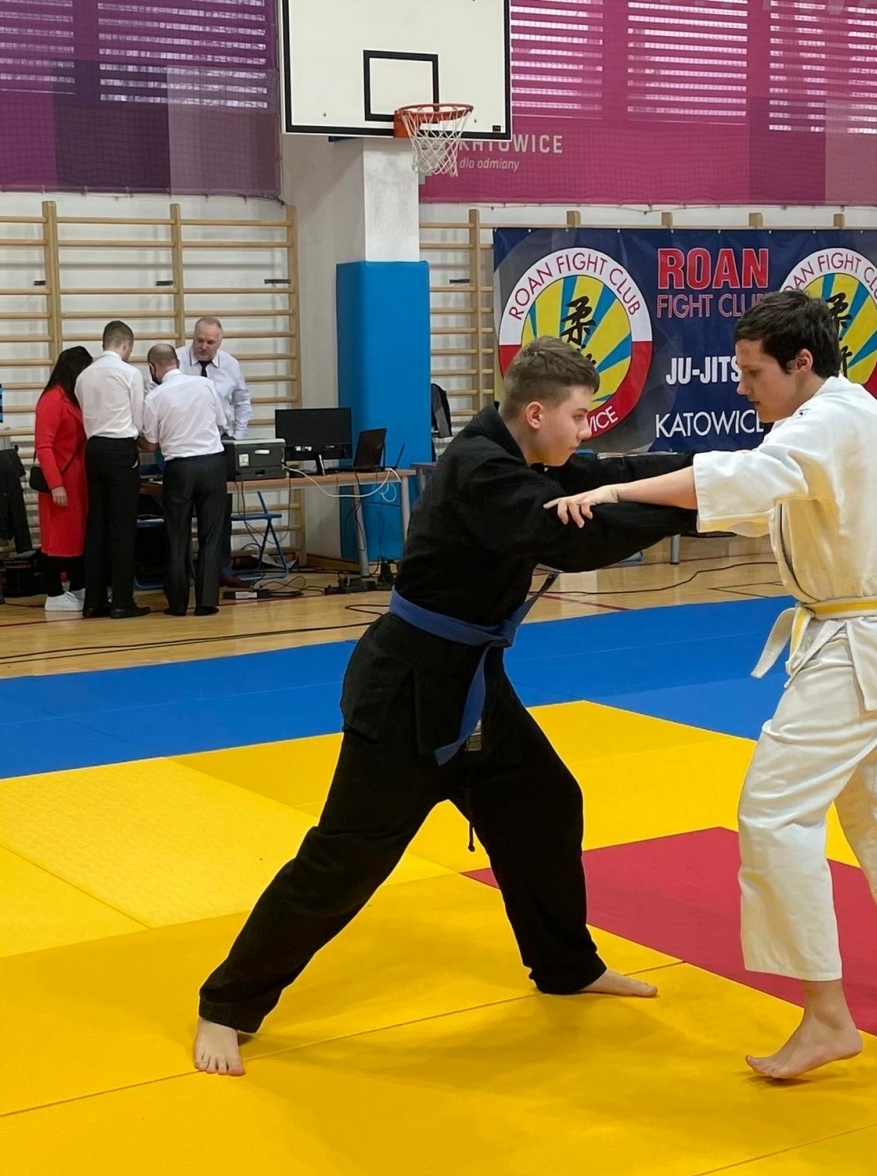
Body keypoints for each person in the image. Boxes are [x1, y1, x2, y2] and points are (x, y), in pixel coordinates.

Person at [194, 336, 696, 1076]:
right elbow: (570, 536)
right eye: (580, 415)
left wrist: (714, 477)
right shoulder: (482, 470)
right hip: (407, 691)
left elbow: (606, 475)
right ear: (536, 413)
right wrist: (694, 507)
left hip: (472, 682)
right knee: (346, 858)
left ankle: (565, 966)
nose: (587, 429)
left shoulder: (526, 456)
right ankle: (227, 1004)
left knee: (545, 805)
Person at [548, 293, 877, 1080]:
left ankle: (826, 1016)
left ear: (802, 362)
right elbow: (764, 503)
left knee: (773, 812)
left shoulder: (830, 421)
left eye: (754, 372)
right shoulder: (836, 417)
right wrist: (630, 491)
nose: (742, 386)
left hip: (862, 648)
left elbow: (751, 478)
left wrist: (616, 491)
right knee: (875, 800)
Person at [140, 343, 229, 617]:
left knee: (177, 537)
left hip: (179, 468)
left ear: (152, 368)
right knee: (211, 536)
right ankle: (206, 602)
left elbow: (151, 444)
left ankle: (177, 604)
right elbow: (221, 424)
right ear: (177, 362)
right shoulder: (205, 385)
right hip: (213, 463)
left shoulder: (154, 397)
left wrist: (133, 440)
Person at [75, 320, 149, 619]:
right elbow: (139, 419)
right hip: (120, 448)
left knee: (96, 525)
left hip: (93, 449)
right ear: (126, 345)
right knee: (123, 527)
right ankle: (122, 600)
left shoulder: (84, 375)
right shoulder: (129, 373)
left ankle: (93, 601)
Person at [177, 317, 252, 587]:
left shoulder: (230, 365)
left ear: (219, 342)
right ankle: (183, 574)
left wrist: (237, 440)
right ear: (192, 337)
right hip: (182, 444)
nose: (204, 346)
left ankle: (222, 569)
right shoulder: (176, 361)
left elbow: (242, 402)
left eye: (211, 342)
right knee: (181, 515)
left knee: (220, 512)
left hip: (219, 443)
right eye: (200, 340)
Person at [34, 346, 93, 612]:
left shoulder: (74, 399)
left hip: (79, 481)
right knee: (56, 539)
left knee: (78, 537)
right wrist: (55, 484)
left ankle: (78, 587)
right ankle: (54, 593)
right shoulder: (52, 399)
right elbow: (43, 446)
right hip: (60, 481)